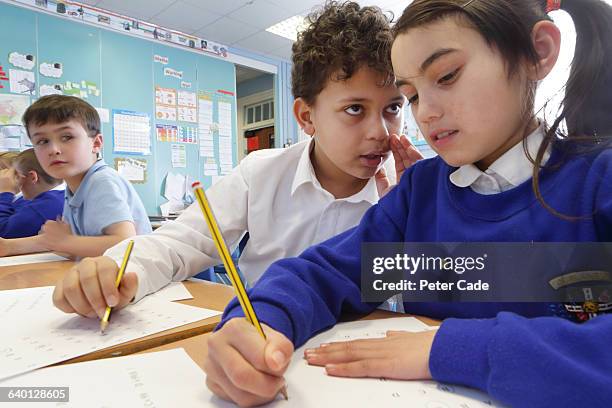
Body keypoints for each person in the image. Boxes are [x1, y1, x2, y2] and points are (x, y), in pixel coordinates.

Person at [205, 0, 612, 406]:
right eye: (412, 96)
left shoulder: (598, 181)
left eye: (447, 76)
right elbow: (323, 273)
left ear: (537, 52)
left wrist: (447, 349)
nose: (427, 113)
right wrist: (257, 322)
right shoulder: (421, 192)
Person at [50, 2, 422, 320]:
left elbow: (456, 293)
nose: (381, 131)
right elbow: (181, 242)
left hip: (365, 352)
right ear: (307, 117)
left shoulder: (412, 188)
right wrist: (117, 269)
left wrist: (418, 231)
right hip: (262, 332)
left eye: (393, 108)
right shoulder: (261, 173)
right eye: (355, 109)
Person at [0, 95, 151, 260]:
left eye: (67, 137)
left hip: (136, 277)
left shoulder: (101, 181)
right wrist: (8, 247)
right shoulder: (74, 187)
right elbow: (67, 242)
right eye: (43, 141)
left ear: (96, 143)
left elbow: (124, 243)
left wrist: (65, 242)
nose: (54, 149)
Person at [0, 148, 64, 238]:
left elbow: (4, 233)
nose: (15, 183)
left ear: (32, 177)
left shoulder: (44, 206)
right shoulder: (59, 196)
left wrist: (5, 192)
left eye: (17, 177)